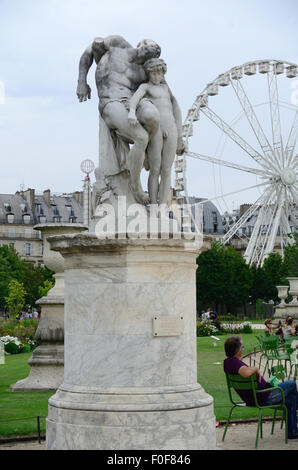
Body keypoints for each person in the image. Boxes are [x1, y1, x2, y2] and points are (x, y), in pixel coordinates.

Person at [77, 36, 184, 205]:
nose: (151, 52)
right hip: (111, 101)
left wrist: (175, 134)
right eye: (150, 46)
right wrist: (81, 81)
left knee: (152, 115)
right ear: (140, 43)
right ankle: (136, 187)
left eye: (154, 52)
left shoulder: (145, 69)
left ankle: (145, 155)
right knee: (141, 137)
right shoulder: (117, 43)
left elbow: (165, 96)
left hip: (132, 100)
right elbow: (90, 51)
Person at [128, 58, 184, 206]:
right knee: (155, 169)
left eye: (159, 74)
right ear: (149, 74)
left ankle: (163, 207)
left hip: (171, 128)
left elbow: (176, 108)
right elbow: (134, 99)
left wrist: (180, 136)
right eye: (153, 74)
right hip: (158, 128)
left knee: (166, 170)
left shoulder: (166, 89)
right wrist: (132, 112)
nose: (156, 77)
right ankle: (153, 205)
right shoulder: (145, 87)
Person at [223, 336, 298, 439]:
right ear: (238, 350)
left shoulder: (227, 363)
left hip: (256, 397)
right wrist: (256, 369)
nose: (243, 349)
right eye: (242, 347)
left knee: (291, 400)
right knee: (292, 384)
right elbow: (246, 373)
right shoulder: (234, 362)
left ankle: (293, 433)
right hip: (264, 397)